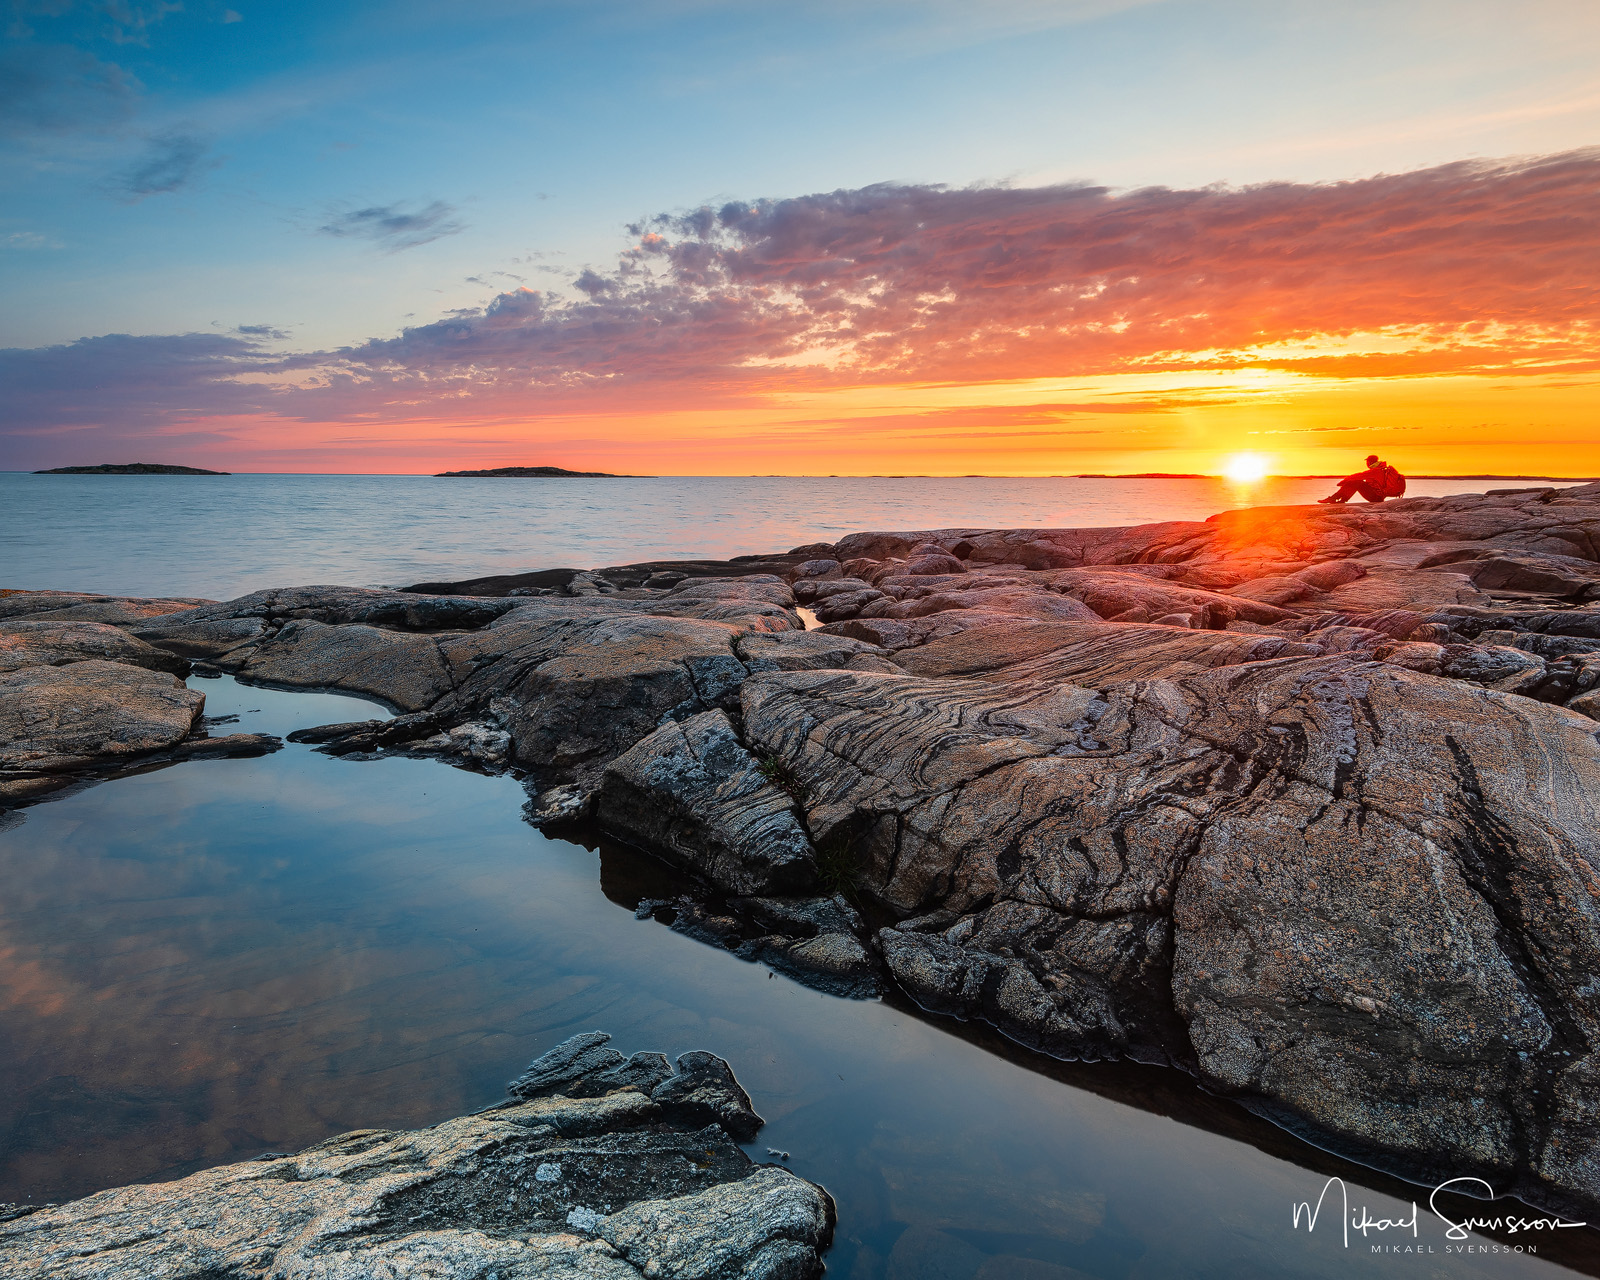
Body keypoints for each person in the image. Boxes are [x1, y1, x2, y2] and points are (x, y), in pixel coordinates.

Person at [1318, 455, 1405, 504]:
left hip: (1376, 498)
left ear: (1370, 462)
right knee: (1357, 482)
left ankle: (1334, 498)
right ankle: (1340, 500)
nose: (1366, 464)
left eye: (1367, 462)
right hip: (1379, 497)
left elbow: (1357, 476)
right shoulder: (1382, 469)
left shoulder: (1375, 471)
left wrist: (1343, 481)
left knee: (1357, 482)